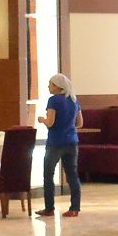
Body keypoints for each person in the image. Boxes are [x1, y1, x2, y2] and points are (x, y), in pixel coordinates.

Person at [39, 72, 82, 219]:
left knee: (48, 174)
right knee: (72, 175)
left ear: (57, 86)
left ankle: (49, 208)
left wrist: (42, 120)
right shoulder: (74, 100)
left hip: (55, 142)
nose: (48, 87)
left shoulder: (53, 100)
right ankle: (75, 208)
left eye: (50, 84)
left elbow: (50, 123)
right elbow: (80, 123)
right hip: (72, 142)